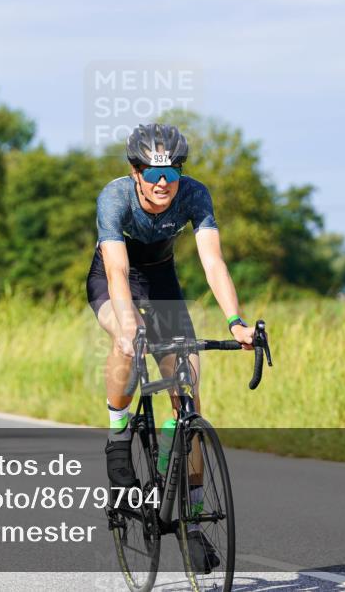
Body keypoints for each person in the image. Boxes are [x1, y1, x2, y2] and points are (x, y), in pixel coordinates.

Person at [86, 123, 253, 572]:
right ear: (136, 171)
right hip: (115, 279)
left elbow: (212, 261)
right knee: (126, 342)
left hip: (162, 281)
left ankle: (192, 521)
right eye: (153, 173)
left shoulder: (194, 195)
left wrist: (235, 321)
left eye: (172, 173)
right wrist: (127, 323)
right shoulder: (115, 198)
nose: (163, 183)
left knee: (189, 396)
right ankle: (118, 435)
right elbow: (117, 274)